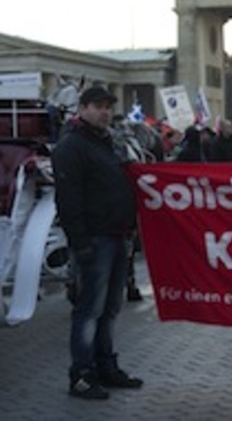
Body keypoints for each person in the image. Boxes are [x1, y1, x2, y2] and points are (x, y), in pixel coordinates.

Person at [51, 87, 144, 400]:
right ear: (82, 108)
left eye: (108, 107)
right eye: (98, 107)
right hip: (94, 238)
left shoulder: (108, 143)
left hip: (116, 236)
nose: (104, 112)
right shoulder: (72, 146)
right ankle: (82, 374)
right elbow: (68, 200)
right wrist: (81, 244)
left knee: (110, 309)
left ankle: (105, 366)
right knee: (89, 309)